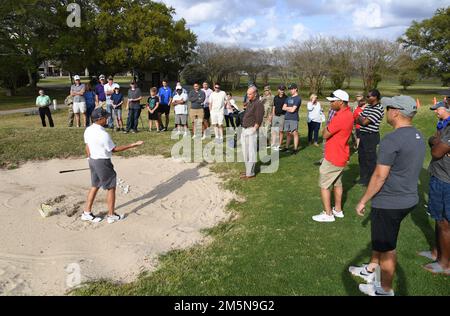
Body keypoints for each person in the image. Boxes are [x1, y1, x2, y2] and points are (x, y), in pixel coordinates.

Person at [354, 95, 425, 296]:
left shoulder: (392, 139)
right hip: (409, 199)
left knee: (387, 247)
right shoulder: (417, 135)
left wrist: (362, 200)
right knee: (382, 238)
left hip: (390, 202)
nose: (386, 112)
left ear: (395, 112)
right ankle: (370, 269)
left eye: (388, 109)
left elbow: (379, 176)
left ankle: (384, 290)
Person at [83, 108, 144, 224]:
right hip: (103, 162)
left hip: (92, 160)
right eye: (105, 117)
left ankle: (86, 212)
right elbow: (114, 149)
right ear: (99, 119)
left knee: (95, 185)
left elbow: (87, 146)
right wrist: (133, 144)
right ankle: (111, 215)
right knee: (111, 187)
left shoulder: (88, 130)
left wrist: (89, 158)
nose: (107, 119)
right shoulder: (103, 134)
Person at [418, 101, 450, 275]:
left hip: (446, 179)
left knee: (445, 222)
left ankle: (445, 264)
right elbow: (434, 141)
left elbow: (437, 152)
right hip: (439, 175)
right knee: (438, 218)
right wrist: (436, 141)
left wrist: (437, 144)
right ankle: (437, 252)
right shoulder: (445, 124)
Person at [312, 90, 354, 223]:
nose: (330, 103)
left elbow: (325, 134)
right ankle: (338, 210)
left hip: (334, 156)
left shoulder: (340, 117)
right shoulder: (347, 113)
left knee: (324, 185)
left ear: (341, 102)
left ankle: (328, 214)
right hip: (341, 155)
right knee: (337, 183)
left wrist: (326, 128)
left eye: (333, 101)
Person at [356, 89, 384, 186]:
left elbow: (364, 122)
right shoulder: (368, 107)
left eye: (368, 96)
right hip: (363, 135)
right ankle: (363, 178)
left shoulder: (379, 108)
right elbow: (357, 118)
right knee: (362, 157)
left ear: (375, 97)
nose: (366, 98)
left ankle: (371, 180)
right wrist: (362, 119)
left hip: (371, 136)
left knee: (370, 159)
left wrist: (362, 119)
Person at [240, 86, 264, 180]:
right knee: (245, 151)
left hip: (251, 130)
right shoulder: (250, 102)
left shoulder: (258, 104)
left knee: (251, 152)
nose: (248, 95)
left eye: (250, 94)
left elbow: (259, 118)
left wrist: (254, 129)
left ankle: (250, 173)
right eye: (247, 93)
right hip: (245, 129)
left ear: (255, 94)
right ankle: (247, 170)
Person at [281, 83, 301, 154]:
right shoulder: (288, 98)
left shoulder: (298, 98)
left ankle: (295, 149)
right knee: (288, 133)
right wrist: (290, 108)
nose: (290, 90)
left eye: (292, 89)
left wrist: (288, 108)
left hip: (294, 118)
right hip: (287, 117)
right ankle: (286, 147)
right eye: (290, 89)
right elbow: (283, 108)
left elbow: (293, 110)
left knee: (294, 133)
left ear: (296, 89)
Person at [271, 85, 287, 151]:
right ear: (278, 90)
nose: (282, 91)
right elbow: (274, 106)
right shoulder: (275, 97)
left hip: (282, 116)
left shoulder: (286, 98)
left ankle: (279, 145)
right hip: (275, 116)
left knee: (280, 131)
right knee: (274, 130)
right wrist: (273, 114)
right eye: (280, 89)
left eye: (283, 90)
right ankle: (273, 144)